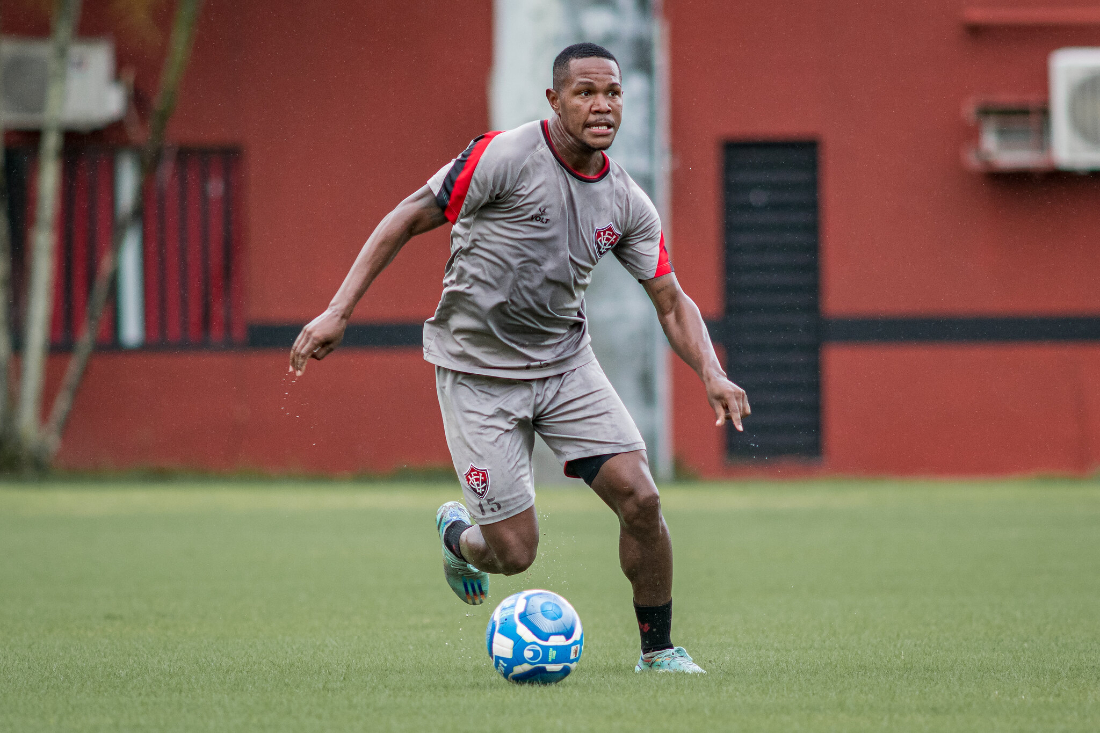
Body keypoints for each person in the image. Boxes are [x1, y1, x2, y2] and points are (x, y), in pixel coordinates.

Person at [289, 43, 750, 674]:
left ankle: (659, 652)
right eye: (585, 92)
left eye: (612, 93)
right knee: (513, 554)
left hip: (565, 367)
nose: (601, 105)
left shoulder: (627, 202)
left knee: (642, 501)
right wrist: (338, 310)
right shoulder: (502, 156)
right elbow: (405, 217)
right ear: (554, 100)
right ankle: (458, 535)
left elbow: (671, 302)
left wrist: (713, 373)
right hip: (477, 374)